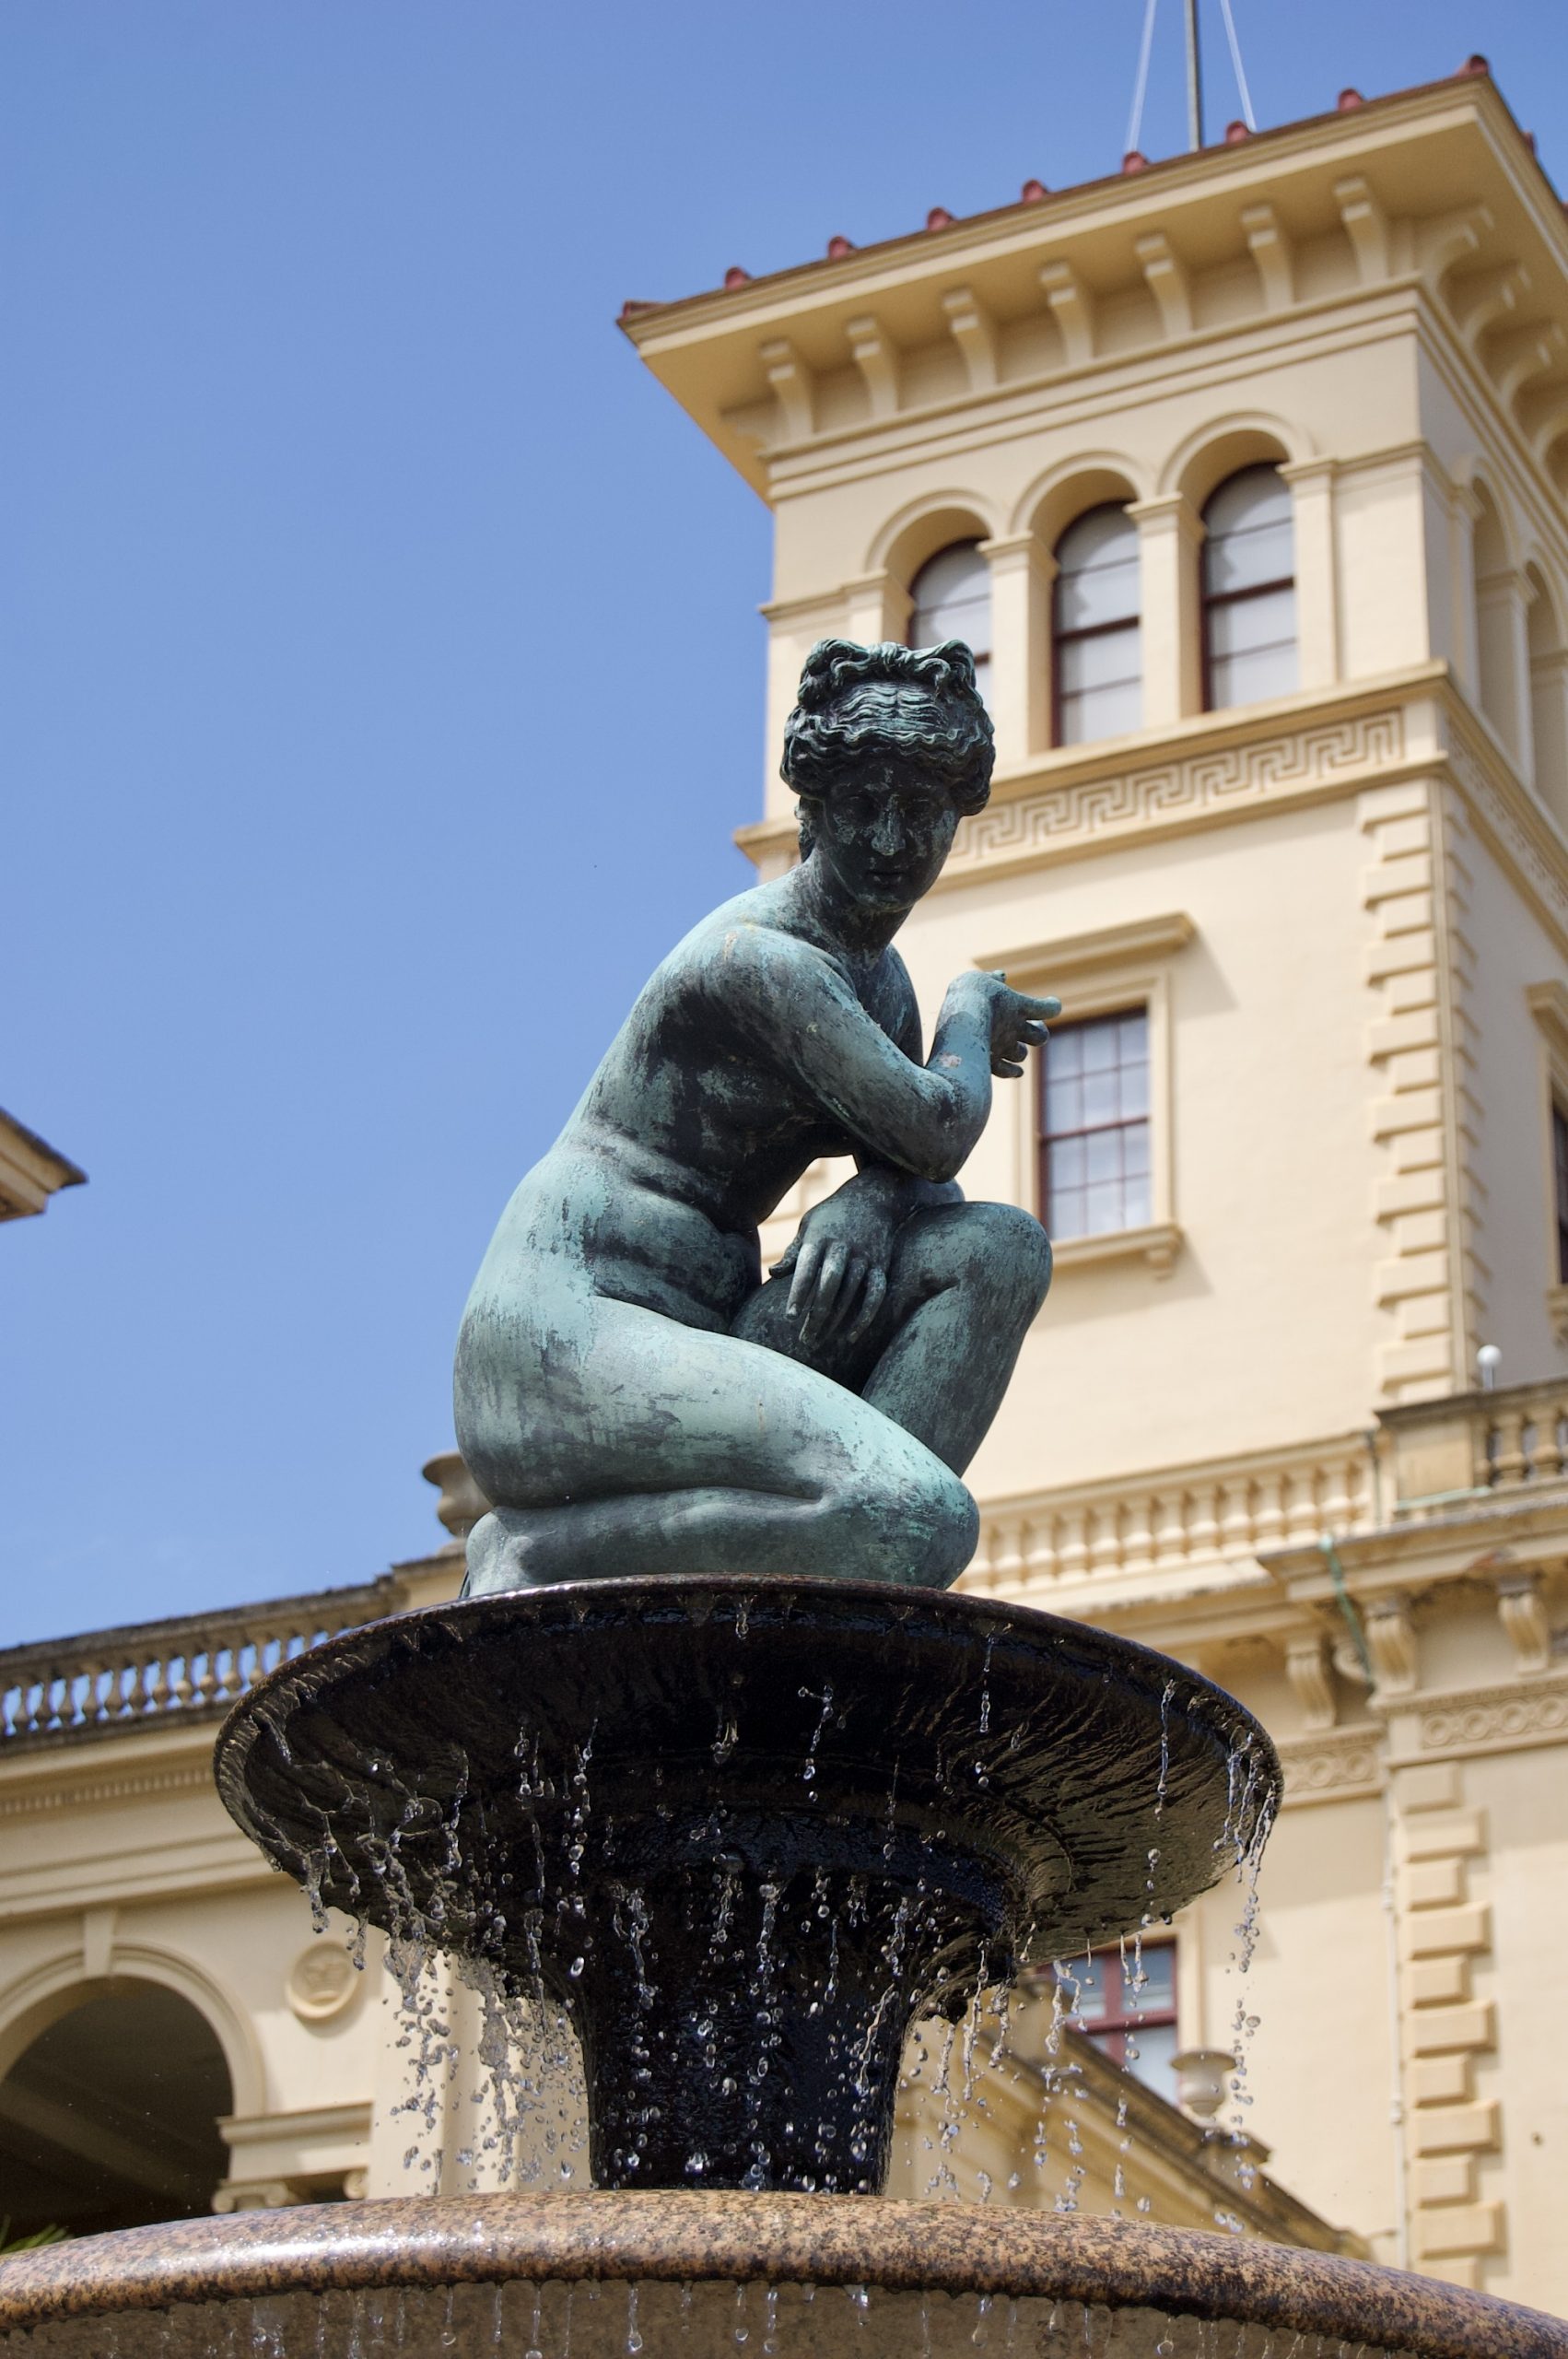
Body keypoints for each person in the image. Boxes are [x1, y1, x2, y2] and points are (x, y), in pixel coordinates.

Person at [456, 637, 1058, 1593]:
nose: (891, 843)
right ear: (811, 811)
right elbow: (937, 1131)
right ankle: (533, 1553)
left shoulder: (877, 981)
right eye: (861, 807)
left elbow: (920, 1178)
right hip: (565, 1340)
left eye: (921, 813)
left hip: (713, 1327)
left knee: (1001, 1250)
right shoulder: (762, 961)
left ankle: (854, 1586)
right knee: (918, 1515)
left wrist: (870, 1202)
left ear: (958, 817)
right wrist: (970, 1010)